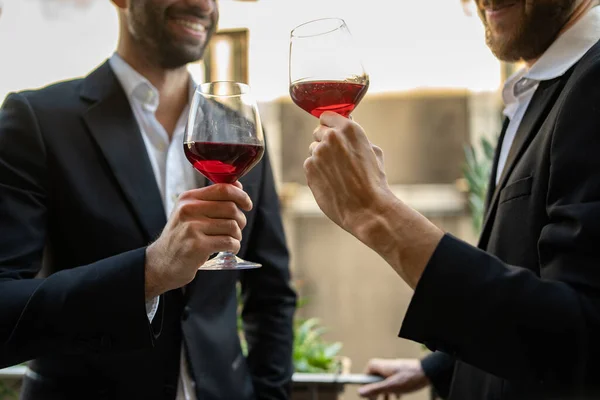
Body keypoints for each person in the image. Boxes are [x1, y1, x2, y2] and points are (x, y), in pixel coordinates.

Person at [0, 0, 296, 399]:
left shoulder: (240, 131)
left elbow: (271, 294)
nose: (203, 4)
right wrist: (149, 272)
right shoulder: (36, 120)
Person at [304, 0, 600, 399]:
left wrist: (379, 214)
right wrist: (442, 366)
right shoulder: (543, 84)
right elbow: (525, 275)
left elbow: (582, 335)